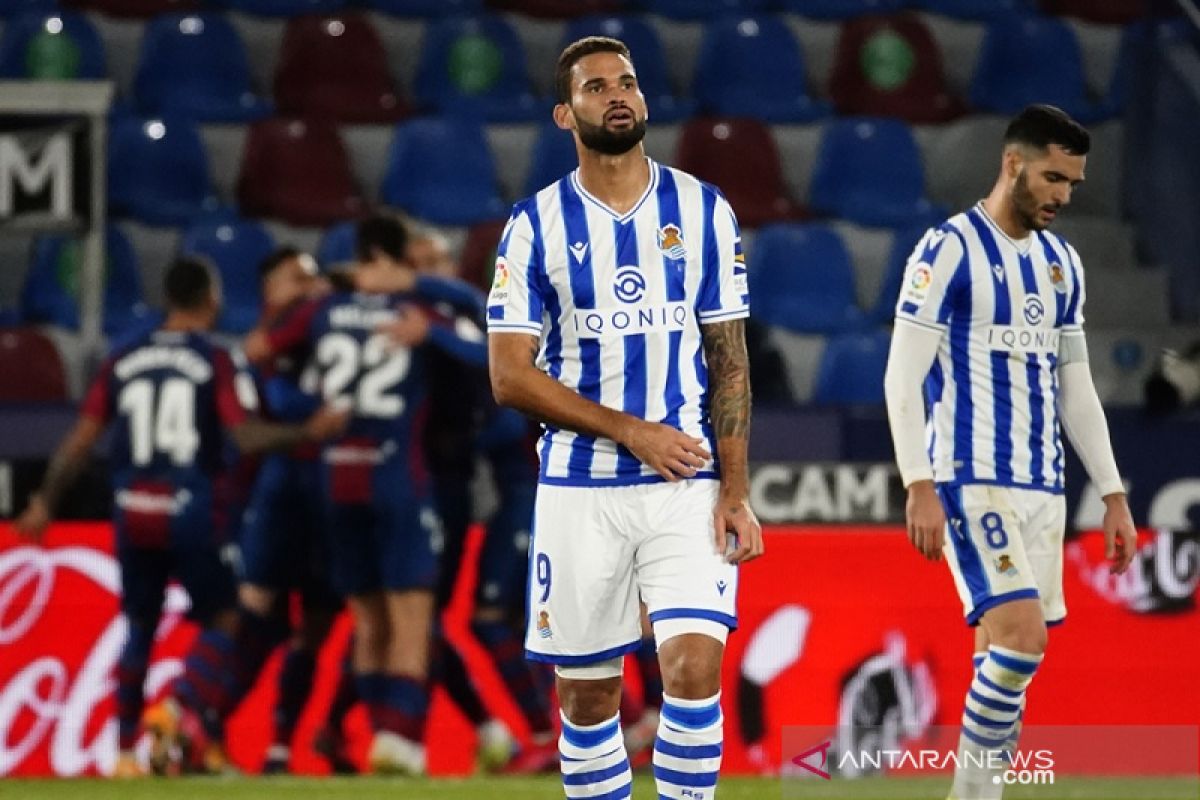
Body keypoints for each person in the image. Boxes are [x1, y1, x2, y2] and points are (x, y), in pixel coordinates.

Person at [487, 36, 764, 800]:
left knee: (694, 670)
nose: (618, 95)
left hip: (686, 481)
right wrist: (627, 429)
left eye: (628, 83)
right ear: (564, 114)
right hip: (580, 488)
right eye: (597, 86)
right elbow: (508, 376)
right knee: (587, 699)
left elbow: (731, 362)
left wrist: (734, 489)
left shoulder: (704, 211)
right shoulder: (534, 225)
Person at [882, 104, 1137, 799]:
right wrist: (919, 482)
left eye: (1073, 184)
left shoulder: (1062, 266)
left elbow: (1075, 388)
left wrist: (1112, 494)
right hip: (972, 478)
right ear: (1012, 162)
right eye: (1053, 176)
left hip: (1043, 486)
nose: (1061, 195)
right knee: (1024, 637)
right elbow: (901, 374)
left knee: (1002, 656)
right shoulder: (948, 250)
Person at [15, 257, 347, 777]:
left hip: (130, 510)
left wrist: (44, 502)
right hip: (190, 507)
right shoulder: (213, 359)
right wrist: (311, 431)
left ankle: (125, 754)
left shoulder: (124, 357)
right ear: (210, 297)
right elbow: (245, 436)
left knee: (139, 626)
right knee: (228, 616)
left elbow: (81, 440)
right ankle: (178, 708)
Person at [243, 217, 486, 776]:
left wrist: (309, 413)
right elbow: (489, 347)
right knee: (408, 619)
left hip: (336, 477)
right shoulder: (416, 313)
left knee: (368, 620)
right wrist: (430, 319)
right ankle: (399, 742)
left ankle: (379, 737)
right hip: (398, 474)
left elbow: (257, 349)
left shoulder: (322, 310)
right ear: (395, 258)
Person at [233, 247, 346, 774]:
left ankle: (280, 745)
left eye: (312, 277)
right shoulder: (262, 344)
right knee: (256, 610)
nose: (308, 287)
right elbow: (268, 409)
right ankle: (204, 719)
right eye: (294, 279)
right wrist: (313, 421)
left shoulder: (324, 336)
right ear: (269, 290)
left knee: (317, 625)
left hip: (329, 487)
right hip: (276, 489)